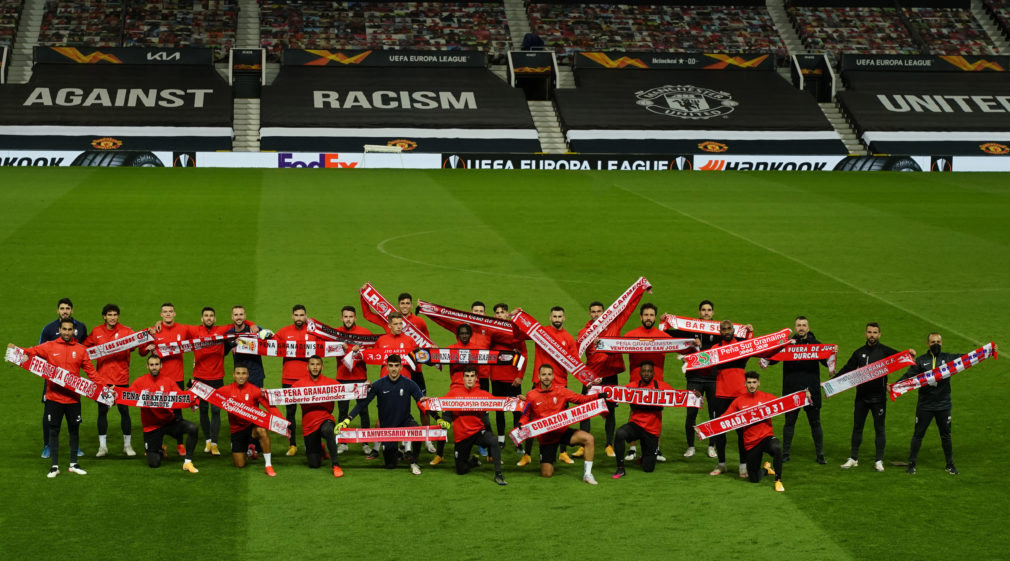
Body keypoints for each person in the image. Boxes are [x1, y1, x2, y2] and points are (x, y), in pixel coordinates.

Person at [12, 317, 97, 477]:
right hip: (53, 398)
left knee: (74, 430)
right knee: (54, 431)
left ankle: (73, 464)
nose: (66, 332)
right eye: (64, 329)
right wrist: (16, 349)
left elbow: (91, 373)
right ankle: (54, 466)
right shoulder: (49, 346)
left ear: (74, 331)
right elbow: (32, 351)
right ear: (60, 330)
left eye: (69, 329)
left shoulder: (80, 349)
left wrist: (104, 388)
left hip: (73, 399)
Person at [900, 333, 983, 475]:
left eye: (938, 341)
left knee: (946, 436)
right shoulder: (920, 361)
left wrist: (987, 351)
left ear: (942, 343)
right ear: (927, 344)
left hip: (943, 405)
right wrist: (894, 386)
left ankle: (950, 465)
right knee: (918, 435)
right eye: (933, 342)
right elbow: (908, 377)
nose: (936, 344)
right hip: (925, 406)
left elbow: (968, 358)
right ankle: (912, 464)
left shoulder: (948, 359)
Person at [340, 354, 429, 474]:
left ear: (401, 367)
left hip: (405, 421)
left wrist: (437, 417)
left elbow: (422, 402)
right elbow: (362, 404)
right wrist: (348, 419)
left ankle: (414, 462)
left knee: (417, 430)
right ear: (386, 367)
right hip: (387, 428)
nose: (393, 369)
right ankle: (398, 451)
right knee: (390, 465)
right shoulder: (378, 385)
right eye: (391, 366)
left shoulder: (409, 384)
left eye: (396, 366)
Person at [518, 364, 600, 484]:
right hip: (546, 437)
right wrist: (521, 423)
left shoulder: (561, 391)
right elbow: (526, 415)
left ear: (553, 376)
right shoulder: (531, 395)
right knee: (547, 474)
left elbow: (580, 399)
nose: (546, 377)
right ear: (539, 376)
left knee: (589, 439)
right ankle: (550, 458)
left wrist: (598, 396)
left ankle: (588, 474)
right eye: (544, 374)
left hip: (562, 431)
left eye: (549, 374)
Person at [837, 322, 902, 472]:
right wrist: (830, 384)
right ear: (865, 334)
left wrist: (909, 353)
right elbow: (848, 369)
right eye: (869, 332)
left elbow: (901, 358)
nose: (872, 335)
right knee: (857, 427)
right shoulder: (859, 352)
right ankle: (853, 458)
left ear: (879, 335)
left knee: (879, 429)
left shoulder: (885, 351)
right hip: (861, 398)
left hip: (879, 398)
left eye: (875, 332)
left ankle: (879, 460)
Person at [129, 354, 200, 473]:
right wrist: (114, 394)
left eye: (156, 364)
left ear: (161, 365)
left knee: (193, 428)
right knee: (154, 463)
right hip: (151, 427)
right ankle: (159, 450)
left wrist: (192, 397)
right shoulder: (139, 382)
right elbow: (125, 396)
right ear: (147, 366)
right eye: (151, 365)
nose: (154, 367)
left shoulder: (168, 381)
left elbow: (180, 397)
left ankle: (187, 462)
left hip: (169, 422)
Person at [665, 299, 717, 459]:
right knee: (691, 413)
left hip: (714, 378)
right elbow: (669, 334)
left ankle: (712, 446)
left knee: (714, 414)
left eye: (709, 310)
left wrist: (747, 330)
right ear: (699, 312)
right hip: (694, 378)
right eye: (703, 310)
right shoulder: (690, 329)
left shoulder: (719, 330)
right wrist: (665, 321)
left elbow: (735, 341)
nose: (706, 312)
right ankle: (691, 446)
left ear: (713, 313)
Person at [437, 366, 507, 485]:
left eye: (472, 376)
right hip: (462, 437)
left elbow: (501, 403)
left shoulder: (483, 394)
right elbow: (446, 414)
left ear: (476, 378)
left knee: (493, 440)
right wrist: (427, 402)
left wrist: (518, 400)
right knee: (461, 470)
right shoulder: (453, 394)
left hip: (478, 432)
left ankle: (498, 474)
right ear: (463, 378)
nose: (469, 379)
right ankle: (474, 462)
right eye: (467, 376)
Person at [770, 316, 826, 464]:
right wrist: (765, 353)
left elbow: (826, 363)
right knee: (789, 422)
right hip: (791, 390)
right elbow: (772, 359)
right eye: (799, 325)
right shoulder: (787, 344)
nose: (801, 328)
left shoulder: (816, 345)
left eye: (804, 325)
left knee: (815, 423)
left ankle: (820, 455)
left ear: (808, 327)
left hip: (811, 391)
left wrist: (833, 352)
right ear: (795, 328)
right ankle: (786, 454)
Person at [621, 302, 672, 461]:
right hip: (635, 383)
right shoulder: (630, 335)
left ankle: (655, 449)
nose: (648, 318)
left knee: (656, 414)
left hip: (657, 383)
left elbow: (683, 346)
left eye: (651, 315)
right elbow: (614, 346)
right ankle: (632, 448)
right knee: (634, 412)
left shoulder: (664, 336)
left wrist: (694, 343)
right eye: (646, 315)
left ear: (655, 317)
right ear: (641, 317)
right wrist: (600, 343)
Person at [84, 303, 136, 457]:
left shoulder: (127, 331)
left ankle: (127, 446)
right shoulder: (96, 332)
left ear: (118, 316)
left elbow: (140, 342)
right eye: (109, 314)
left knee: (124, 411)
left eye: (115, 314)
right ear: (104, 316)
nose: (112, 317)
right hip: (103, 380)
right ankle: (102, 447)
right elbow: (84, 349)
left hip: (121, 379)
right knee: (102, 412)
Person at [38, 297, 88, 459]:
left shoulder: (80, 327)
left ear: (72, 310)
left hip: (73, 381)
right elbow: (39, 352)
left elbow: (85, 349)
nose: (65, 311)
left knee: (73, 414)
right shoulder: (48, 329)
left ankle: (75, 447)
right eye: (62, 308)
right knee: (49, 413)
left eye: (68, 308)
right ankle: (47, 446)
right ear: (57, 311)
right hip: (53, 380)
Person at [722, 371, 787, 492]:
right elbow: (724, 418)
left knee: (776, 447)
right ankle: (766, 470)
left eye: (754, 382)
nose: (752, 385)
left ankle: (778, 480)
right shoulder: (738, 401)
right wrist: (704, 428)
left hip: (766, 437)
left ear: (759, 383)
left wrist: (805, 396)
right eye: (749, 382)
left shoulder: (767, 397)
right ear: (745, 384)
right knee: (754, 479)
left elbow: (786, 404)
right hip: (751, 443)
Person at [576, 300, 625, 459]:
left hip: (610, 377)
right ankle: (583, 445)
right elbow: (576, 354)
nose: (597, 314)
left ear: (604, 313)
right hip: (591, 378)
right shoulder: (584, 332)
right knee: (585, 411)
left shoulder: (612, 328)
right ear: (590, 313)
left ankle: (609, 445)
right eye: (594, 311)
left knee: (610, 411)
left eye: (599, 311)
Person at [530, 306, 578, 465]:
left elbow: (575, 363)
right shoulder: (541, 333)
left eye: (560, 316)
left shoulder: (569, 339)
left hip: (560, 386)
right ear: (550, 318)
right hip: (539, 385)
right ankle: (528, 454)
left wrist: (589, 378)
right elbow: (521, 333)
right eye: (555, 316)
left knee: (562, 420)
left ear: (564, 318)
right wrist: (517, 318)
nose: (557, 319)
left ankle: (562, 452)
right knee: (532, 418)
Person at [217, 365, 282, 476]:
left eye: (243, 373)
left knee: (261, 430)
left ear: (248, 375)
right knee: (240, 465)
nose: (241, 376)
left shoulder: (255, 390)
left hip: (251, 427)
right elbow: (208, 394)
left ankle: (268, 465)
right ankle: (249, 448)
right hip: (236, 430)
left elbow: (270, 406)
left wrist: (281, 422)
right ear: (233, 375)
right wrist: (193, 390)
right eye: (238, 373)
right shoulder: (226, 390)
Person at [612, 361, 671, 479]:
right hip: (636, 425)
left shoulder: (662, 386)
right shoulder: (633, 386)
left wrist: (694, 396)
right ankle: (620, 468)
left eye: (649, 371)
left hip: (652, 430)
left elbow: (680, 397)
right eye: (644, 371)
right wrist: (596, 390)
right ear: (640, 372)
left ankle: (645, 456)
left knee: (648, 469)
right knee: (620, 433)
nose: (646, 374)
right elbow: (615, 392)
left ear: (653, 373)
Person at [272, 304, 317, 456]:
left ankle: (311, 444)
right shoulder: (284, 332)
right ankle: (292, 445)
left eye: (301, 315)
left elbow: (326, 345)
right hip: (288, 379)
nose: (299, 318)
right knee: (290, 413)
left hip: (307, 380)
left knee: (309, 413)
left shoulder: (313, 331)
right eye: (296, 315)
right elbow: (269, 344)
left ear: (306, 316)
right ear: (292, 316)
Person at [709, 320, 751, 478]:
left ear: (733, 330)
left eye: (729, 329)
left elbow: (757, 347)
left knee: (742, 432)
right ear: (720, 332)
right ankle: (721, 465)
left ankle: (743, 466)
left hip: (740, 396)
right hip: (721, 395)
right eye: (723, 329)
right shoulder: (715, 349)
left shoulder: (741, 346)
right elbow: (705, 365)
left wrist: (750, 333)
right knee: (720, 432)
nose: (726, 331)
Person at [334, 305, 375, 458]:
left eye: (351, 317)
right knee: (342, 411)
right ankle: (342, 442)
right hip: (342, 379)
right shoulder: (335, 334)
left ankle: (365, 443)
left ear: (355, 318)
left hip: (360, 378)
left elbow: (374, 351)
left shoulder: (365, 334)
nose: (348, 319)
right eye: (345, 317)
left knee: (363, 411)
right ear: (341, 318)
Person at [292, 356, 343, 477]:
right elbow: (283, 396)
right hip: (309, 424)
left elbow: (348, 390)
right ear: (307, 367)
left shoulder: (331, 383)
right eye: (312, 364)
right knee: (314, 464)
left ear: (322, 367)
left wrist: (364, 386)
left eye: (318, 364)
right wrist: (266, 393)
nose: (315, 367)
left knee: (328, 430)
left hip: (326, 419)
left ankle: (336, 465)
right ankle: (321, 447)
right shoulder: (298, 385)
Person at [191, 306, 231, 456]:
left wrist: (251, 323)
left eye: (211, 316)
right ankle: (208, 440)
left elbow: (239, 324)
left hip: (217, 378)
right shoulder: (194, 331)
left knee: (215, 411)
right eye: (206, 316)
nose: (208, 318)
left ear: (215, 319)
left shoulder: (221, 331)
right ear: (202, 319)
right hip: (200, 378)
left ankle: (214, 443)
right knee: (202, 409)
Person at [488, 302, 526, 453]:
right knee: (499, 410)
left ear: (506, 314)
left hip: (513, 379)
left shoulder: (515, 331)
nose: (499, 315)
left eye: (502, 312)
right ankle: (501, 439)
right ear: (494, 315)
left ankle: (518, 441)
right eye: (497, 313)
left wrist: (520, 376)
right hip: (496, 378)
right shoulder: (491, 331)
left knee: (517, 411)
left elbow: (525, 355)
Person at [138, 302, 193, 391]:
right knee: (160, 405)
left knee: (178, 404)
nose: (168, 314)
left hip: (178, 378)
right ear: (161, 314)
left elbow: (198, 341)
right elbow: (141, 352)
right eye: (165, 312)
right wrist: (146, 349)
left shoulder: (183, 329)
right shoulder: (153, 331)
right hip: (159, 378)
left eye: (170, 311)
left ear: (174, 314)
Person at [224, 305, 264, 387]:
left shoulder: (255, 330)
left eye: (241, 314)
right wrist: (234, 343)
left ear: (245, 316)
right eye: (236, 315)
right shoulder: (229, 334)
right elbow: (223, 352)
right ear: (232, 317)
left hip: (255, 374)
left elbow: (270, 340)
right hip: (240, 375)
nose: (239, 317)